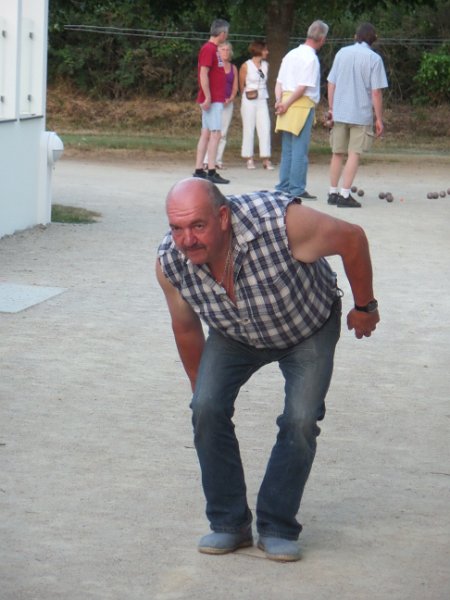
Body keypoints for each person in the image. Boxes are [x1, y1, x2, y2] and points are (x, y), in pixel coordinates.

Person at [156, 177, 380, 563]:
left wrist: (365, 307)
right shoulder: (171, 263)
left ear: (222, 217)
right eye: (177, 228)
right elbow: (186, 327)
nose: (187, 239)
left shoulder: (281, 223)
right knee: (205, 408)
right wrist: (203, 396)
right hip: (235, 332)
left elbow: (353, 238)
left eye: (197, 225)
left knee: (301, 419)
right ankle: (229, 523)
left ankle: (277, 524)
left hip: (307, 327)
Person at [326, 23, 388, 208]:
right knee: (354, 153)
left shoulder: (341, 53)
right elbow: (376, 92)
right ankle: (345, 194)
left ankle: (332, 192)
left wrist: (331, 108)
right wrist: (378, 118)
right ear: (373, 39)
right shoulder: (374, 59)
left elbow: (331, 83)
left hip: (340, 111)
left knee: (337, 153)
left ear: (356, 36)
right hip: (360, 114)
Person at [274, 20, 329, 200]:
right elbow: (303, 87)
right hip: (300, 105)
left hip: (285, 101)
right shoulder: (311, 58)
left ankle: (283, 186)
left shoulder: (290, 54)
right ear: (322, 38)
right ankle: (296, 188)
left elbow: (279, 82)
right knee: (299, 150)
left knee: (288, 149)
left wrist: (279, 101)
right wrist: (287, 103)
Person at [193, 19, 230, 185]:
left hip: (215, 98)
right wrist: (207, 96)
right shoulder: (208, 49)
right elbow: (203, 73)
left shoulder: (215, 50)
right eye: (226, 33)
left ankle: (199, 169)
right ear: (221, 33)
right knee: (215, 134)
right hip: (212, 99)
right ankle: (211, 171)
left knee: (206, 133)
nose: (226, 36)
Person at [203, 42, 238, 170]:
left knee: (223, 133)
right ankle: (207, 160)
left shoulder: (233, 68)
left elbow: (235, 86)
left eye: (228, 49)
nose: (225, 52)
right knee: (212, 131)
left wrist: (231, 98)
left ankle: (218, 160)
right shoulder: (214, 66)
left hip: (227, 103)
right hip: (215, 102)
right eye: (223, 49)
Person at [239, 40, 274, 170]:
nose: (267, 52)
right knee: (249, 127)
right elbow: (241, 84)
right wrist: (245, 95)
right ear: (259, 50)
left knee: (265, 126)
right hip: (249, 98)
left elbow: (265, 80)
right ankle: (249, 157)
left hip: (262, 98)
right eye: (265, 50)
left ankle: (266, 158)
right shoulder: (246, 66)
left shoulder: (266, 65)